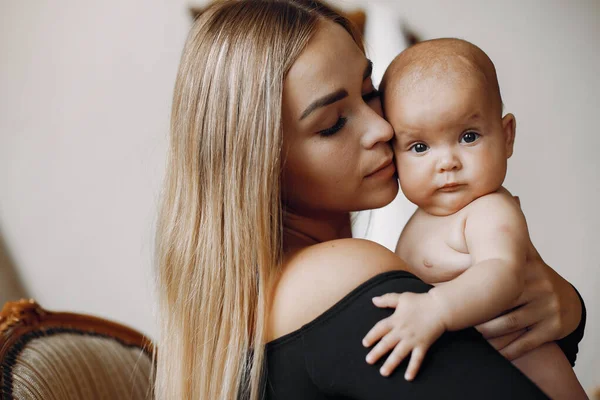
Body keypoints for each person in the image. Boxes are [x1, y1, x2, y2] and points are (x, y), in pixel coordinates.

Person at [154, 1, 586, 399]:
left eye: (369, 91)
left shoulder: (237, 315)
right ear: (261, 162)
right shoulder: (347, 274)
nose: (382, 129)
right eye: (333, 123)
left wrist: (566, 310)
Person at [360, 38, 587, 399]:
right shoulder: (423, 220)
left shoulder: (488, 210)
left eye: (468, 137)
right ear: (394, 154)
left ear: (507, 136)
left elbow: (502, 273)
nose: (447, 162)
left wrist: (436, 308)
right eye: (420, 147)